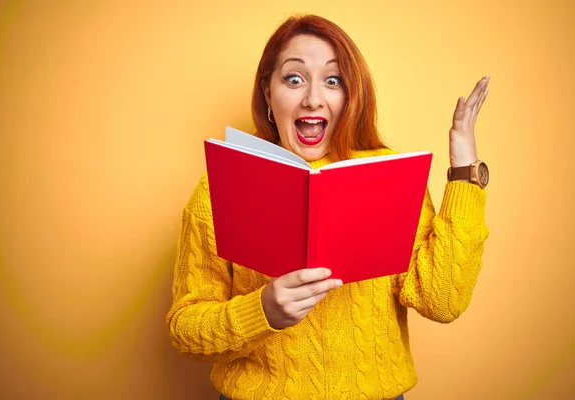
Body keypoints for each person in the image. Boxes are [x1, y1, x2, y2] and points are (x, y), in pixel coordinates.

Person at [166, 14, 489, 400]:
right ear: (269, 92)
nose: (313, 98)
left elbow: (442, 301)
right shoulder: (218, 187)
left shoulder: (388, 178)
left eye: (332, 80)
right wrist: (263, 310)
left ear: (350, 95)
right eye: (294, 78)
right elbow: (185, 329)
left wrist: (464, 171)